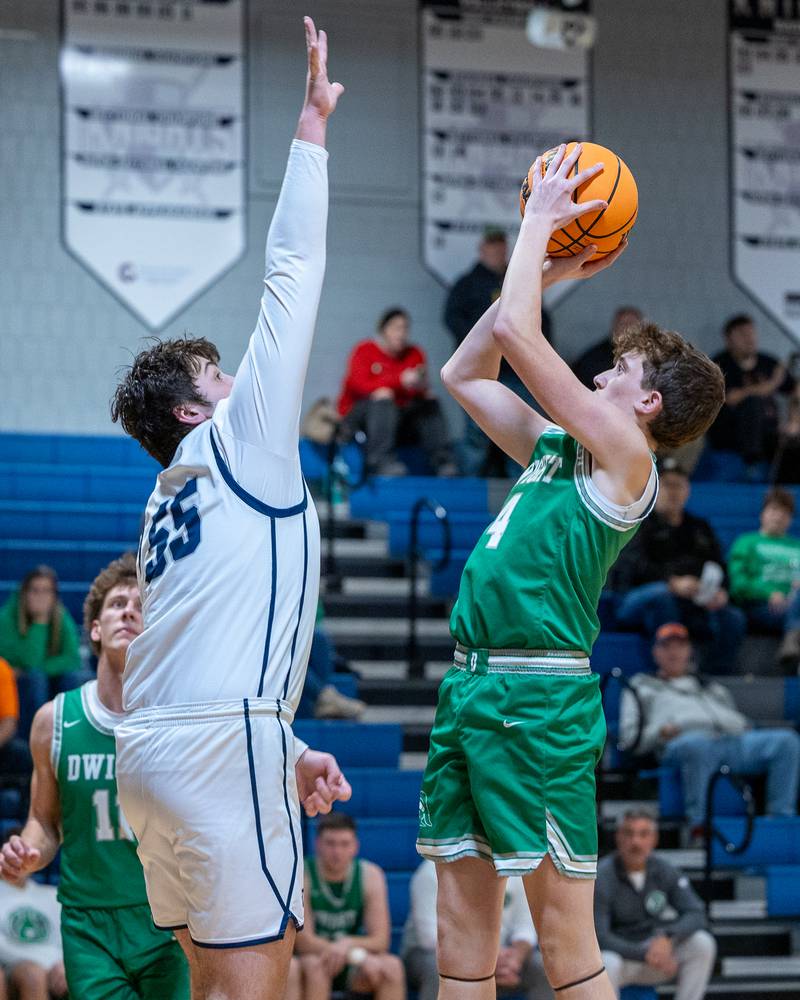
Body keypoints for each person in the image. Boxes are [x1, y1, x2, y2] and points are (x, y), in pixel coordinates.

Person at [416, 142, 725, 999]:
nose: (597, 371)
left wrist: (538, 229)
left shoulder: (627, 458)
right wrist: (544, 270)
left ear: (648, 402)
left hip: (538, 698)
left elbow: (517, 336)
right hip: (471, 688)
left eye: (618, 371)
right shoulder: (560, 449)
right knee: (460, 930)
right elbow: (466, 369)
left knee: (562, 936)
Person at [109, 21, 351, 1000]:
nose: (246, 375)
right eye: (223, 373)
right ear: (191, 406)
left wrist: (285, 746)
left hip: (157, 752)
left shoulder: (169, 496)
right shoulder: (237, 436)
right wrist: (310, 126)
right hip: (216, 744)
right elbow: (292, 271)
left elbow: (199, 648)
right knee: (254, 983)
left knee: (213, 983)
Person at [0, 554, 189, 998]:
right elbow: (44, 822)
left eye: (140, 606)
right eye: (117, 603)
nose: (128, 610)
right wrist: (28, 851)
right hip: (90, 925)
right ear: (96, 629)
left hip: (167, 919)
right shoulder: (54, 721)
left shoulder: (179, 719)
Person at [619, 623, 800, 830]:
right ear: (655, 652)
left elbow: (737, 720)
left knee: (786, 741)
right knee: (698, 745)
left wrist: (743, 726)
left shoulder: (710, 687)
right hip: (682, 743)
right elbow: (629, 738)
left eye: (680, 646)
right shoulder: (640, 686)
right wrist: (660, 732)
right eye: (666, 646)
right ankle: (698, 828)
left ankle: (781, 821)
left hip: (730, 741)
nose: (674, 652)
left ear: (689, 651)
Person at [612, 459, 746, 672]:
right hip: (640, 597)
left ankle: (713, 679)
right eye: (667, 485)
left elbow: (720, 566)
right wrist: (672, 583)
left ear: (688, 490)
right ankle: (669, 674)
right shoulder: (638, 524)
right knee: (662, 597)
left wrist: (721, 592)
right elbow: (632, 568)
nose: (673, 492)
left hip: (693, 598)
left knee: (733, 617)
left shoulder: (700, 527)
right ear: (655, 488)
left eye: (679, 485)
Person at [444, 229, 551, 476]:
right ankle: (468, 485)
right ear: (482, 249)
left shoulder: (517, 280)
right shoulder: (466, 284)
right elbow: (452, 319)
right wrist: (481, 341)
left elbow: (542, 320)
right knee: (476, 431)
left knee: (521, 428)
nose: (497, 251)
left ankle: (523, 483)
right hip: (481, 370)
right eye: (492, 246)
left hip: (517, 369)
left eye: (501, 246)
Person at [594, 810, 716, 1000]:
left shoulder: (664, 870)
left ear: (654, 839)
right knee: (606, 962)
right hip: (622, 959)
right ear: (618, 837)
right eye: (629, 833)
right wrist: (645, 953)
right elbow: (600, 937)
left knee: (702, 943)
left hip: (657, 959)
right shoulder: (602, 875)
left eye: (643, 834)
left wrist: (668, 937)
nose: (636, 842)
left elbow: (696, 912)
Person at [403, 859, 551, 1000]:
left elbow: (525, 929)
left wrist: (514, 959)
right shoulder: (431, 870)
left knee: (543, 967)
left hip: (499, 956)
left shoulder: (514, 868)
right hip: (432, 953)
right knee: (436, 969)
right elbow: (429, 937)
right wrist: (487, 959)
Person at [297, 812, 405, 1000]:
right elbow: (304, 942)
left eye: (344, 844)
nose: (337, 852)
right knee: (315, 968)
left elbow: (381, 940)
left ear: (355, 846)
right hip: (314, 958)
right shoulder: (303, 874)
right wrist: (347, 951)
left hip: (352, 960)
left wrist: (347, 946)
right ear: (318, 844)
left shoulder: (370, 874)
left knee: (392, 967)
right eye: (330, 843)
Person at [338, 307, 456, 476]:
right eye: (396, 328)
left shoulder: (415, 354)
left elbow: (417, 390)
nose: (401, 333)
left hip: (399, 420)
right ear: (383, 329)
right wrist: (398, 381)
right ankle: (381, 461)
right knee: (383, 397)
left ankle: (444, 462)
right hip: (362, 415)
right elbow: (358, 386)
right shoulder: (364, 350)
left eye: (405, 328)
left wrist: (421, 389)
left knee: (429, 401)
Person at [708, 313, 795, 473]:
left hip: (768, 432)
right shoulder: (719, 364)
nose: (749, 338)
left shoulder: (768, 362)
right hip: (732, 433)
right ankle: (751, 465)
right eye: (742, 334)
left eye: (751, 332)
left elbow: (794, 389)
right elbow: (731, 398)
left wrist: (794, 420)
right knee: (753, 403)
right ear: (728, 339)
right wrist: (771, 385)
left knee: (790, 442)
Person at [728, 487, 800, 667]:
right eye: (774, 510)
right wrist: (769, 593)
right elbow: (738, 583)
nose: (779, 516)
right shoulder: (747, 542)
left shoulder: (797, 546)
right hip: (761, 607)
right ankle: (793, 637)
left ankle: (793, 638)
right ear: (763, 513)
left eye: (785, 512)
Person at [0, 568, 82, 706]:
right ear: (24, 593)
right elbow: (28, 660)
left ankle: (68, 726)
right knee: (36, 679)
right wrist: (40, 622)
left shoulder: (61, 617)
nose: (41, 597)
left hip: (47, 677)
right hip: (17, 684)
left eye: (46, 591)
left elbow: (72, 659)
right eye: (35, 591)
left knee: (69, 678)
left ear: (54, 596)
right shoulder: (7, 618)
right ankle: (36, 726)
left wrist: (41, 668)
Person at [0, 843, 67, 1000]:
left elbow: (66, 938)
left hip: (54, 966)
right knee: (33, 974)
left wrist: (65, 963)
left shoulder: (52, 894)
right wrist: (44, 961)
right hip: (13, 965)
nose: (19, 861)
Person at [571, 307, 643, 390]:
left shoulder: (648, 360)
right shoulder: (594, 360)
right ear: (614, 327)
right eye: (623, 324)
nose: (627, 329)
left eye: (632, 324)